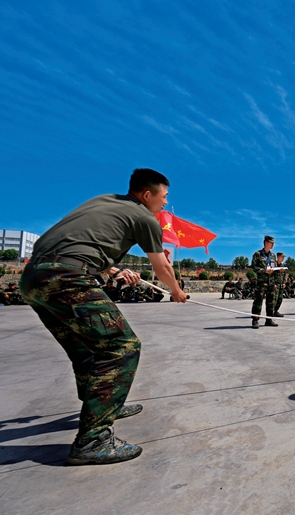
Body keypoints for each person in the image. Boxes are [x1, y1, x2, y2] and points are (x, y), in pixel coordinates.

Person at [19, 168, 187, 465]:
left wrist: (112, 269)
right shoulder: (145, 218)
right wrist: (176, 291)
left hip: (34, 278)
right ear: (147, 194)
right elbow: (162, 267)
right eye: (164, 197)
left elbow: (65, 243)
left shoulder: (103, 201)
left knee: (85, 348)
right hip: (68, 278)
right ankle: (92, 441)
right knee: (121, 347)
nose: (165, 202)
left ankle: (104, 405)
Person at [250, 236, 279, 327]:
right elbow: (254, 267)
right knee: (258, 301)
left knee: (271, 302)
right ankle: (255, 320)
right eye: (271, 243)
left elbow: (274, 267)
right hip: (261, 283)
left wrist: (276, 270)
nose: (273, 245)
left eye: (273, 243)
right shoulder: (257, 254)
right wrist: (264, 271)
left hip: (271, 282)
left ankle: (269, 320)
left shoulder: (273, 256)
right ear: (266, 243)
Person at [271, 252, 287, 317]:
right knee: (274, 299)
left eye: (283, 257)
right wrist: (273, 284)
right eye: (282, 257)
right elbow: (271, 274)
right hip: (275, 285)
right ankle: (271, 312)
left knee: (280, 299)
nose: (283, 258)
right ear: (278, 257)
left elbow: (284, 275)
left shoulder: (282, 266)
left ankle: (276, 311)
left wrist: (284, 282)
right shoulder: (273, 264)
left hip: (281, 285)